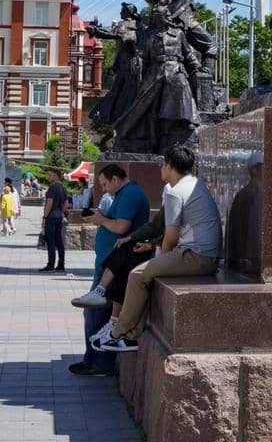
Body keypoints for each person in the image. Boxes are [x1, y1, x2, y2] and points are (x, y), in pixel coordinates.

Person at [91, 144, 221, 352]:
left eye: (162, 165)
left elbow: (171, 236)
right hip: (205, 255)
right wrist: (152, 248)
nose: (160, 168)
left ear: (169, 166)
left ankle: (117, 334)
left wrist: (159, 259)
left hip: (196, 256)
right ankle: (129, 334)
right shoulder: (194, 184)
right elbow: (164, 230)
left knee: (137, 275)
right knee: (146, 273)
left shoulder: (175, 192)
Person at [68, 164, 151, 377]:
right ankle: (95, 360)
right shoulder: (125, 193)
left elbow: (122, 227)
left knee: (96, 312)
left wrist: (100, 219)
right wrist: (103, 216)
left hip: (113, 265)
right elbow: (116, 222)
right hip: (109, 263)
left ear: (115, 179)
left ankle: (97, 363)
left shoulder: (130, 193)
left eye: (105, 184)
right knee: (96, 312)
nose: (104, 189)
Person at [40, 168, 70, 272]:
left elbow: (49, 203)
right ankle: (61, 264)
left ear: (56, 175)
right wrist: (61, 212)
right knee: (59, 241)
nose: (49, 177)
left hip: (51, 217)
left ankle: (50, 265)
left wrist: (44, 217)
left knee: (51, 241)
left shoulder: (52, 188)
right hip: (59, 217)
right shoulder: (63, 188)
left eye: (51, 175)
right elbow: (66, 203)